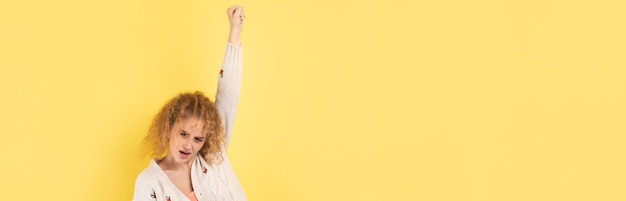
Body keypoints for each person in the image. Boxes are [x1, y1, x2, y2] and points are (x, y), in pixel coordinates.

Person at [133, 5, 247, 201]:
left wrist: (234, 32)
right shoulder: (150, 183)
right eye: (184, 134)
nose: (188, 145)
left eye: (198, 139)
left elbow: (229, 94)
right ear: (168, 128)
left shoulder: (213, 158)